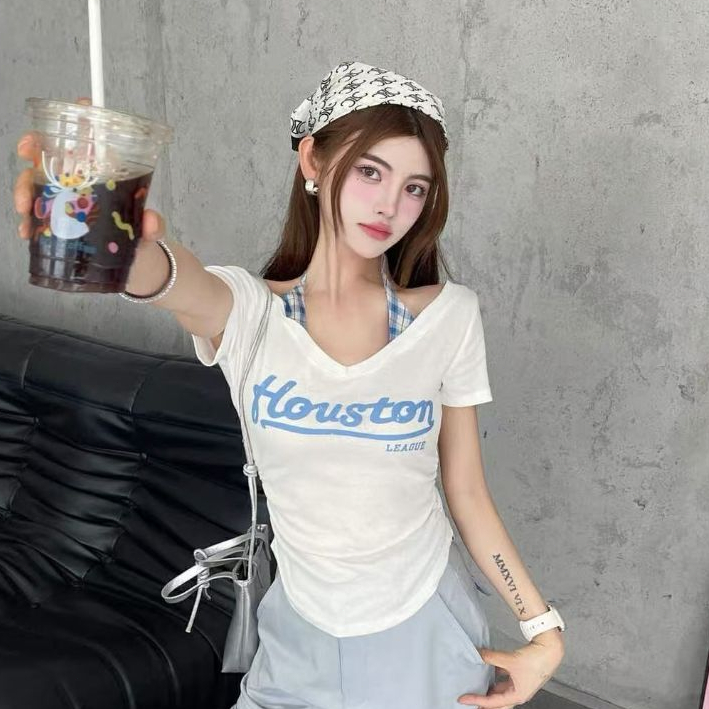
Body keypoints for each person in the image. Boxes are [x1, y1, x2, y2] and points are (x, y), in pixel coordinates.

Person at [14, 60, 565, 709]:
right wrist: (103, 228)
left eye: (414, 187)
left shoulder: (447, 317)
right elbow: (162, 276)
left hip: (423, 625)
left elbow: (467, 492)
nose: (390, 205)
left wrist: (542, 631)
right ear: (313, 160)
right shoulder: (249, 313)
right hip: (297, 631)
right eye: (370, 172)